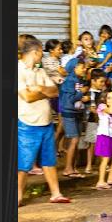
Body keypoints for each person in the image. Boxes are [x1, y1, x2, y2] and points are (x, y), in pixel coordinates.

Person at [17, 37, 71, 206]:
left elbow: (55, 91)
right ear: (35, 52)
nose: (43, 54)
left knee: (49, 160)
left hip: (46, 122)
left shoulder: (40, 71)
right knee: (24, 163)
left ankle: (56, 194)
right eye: (41, 51)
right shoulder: (18, 70)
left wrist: (39, 88)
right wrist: (43, 92)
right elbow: (27, 96)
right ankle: (17, 196)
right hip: (27, 123)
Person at [93, 90, 112, 190]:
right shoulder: (102, 106)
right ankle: (101, 181)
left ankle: (110, 178)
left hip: (111, 136)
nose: (111, 100)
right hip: (103, 135)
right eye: (109, 98)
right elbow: (110, 111)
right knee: (105, 159)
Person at [81, 69, 108, 174]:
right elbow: (92, 109)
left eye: (104, 81)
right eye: (101, 81)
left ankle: (102, 164)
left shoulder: (102, 92)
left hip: (100, 121)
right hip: (92, 120)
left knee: (101, 142)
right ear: (93, 81)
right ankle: (89, 165)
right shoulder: (91, 93)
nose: (103, 84)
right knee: (92, 143)